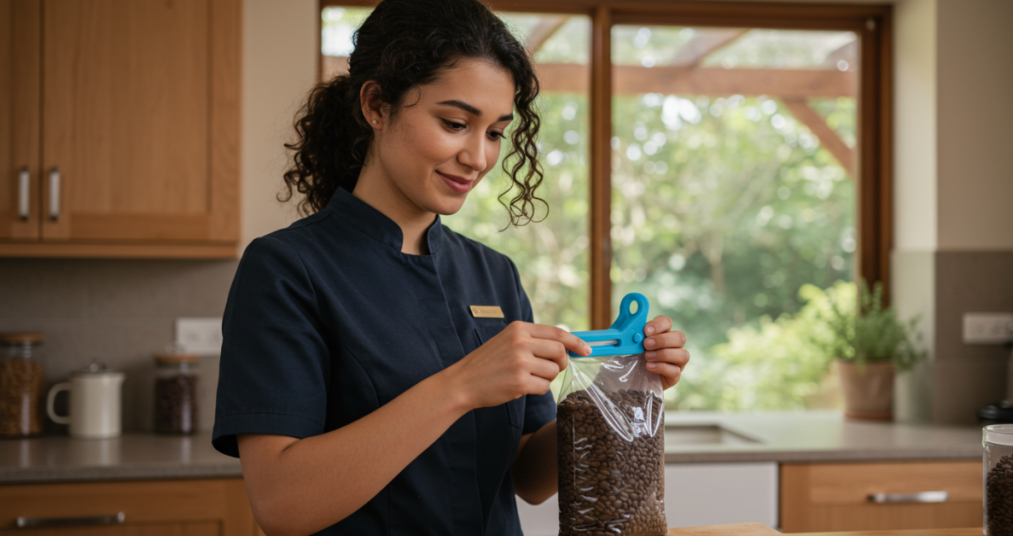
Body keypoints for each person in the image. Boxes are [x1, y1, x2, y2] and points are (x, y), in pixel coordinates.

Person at [212, 1, 689, 535]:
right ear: (376, 105)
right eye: (455, 123)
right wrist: (460, 386)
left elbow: (529, 477)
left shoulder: (494, 273)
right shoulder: (286, 270)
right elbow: (281, 505)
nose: (479, 157)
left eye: (494, 132)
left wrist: (617, 388)